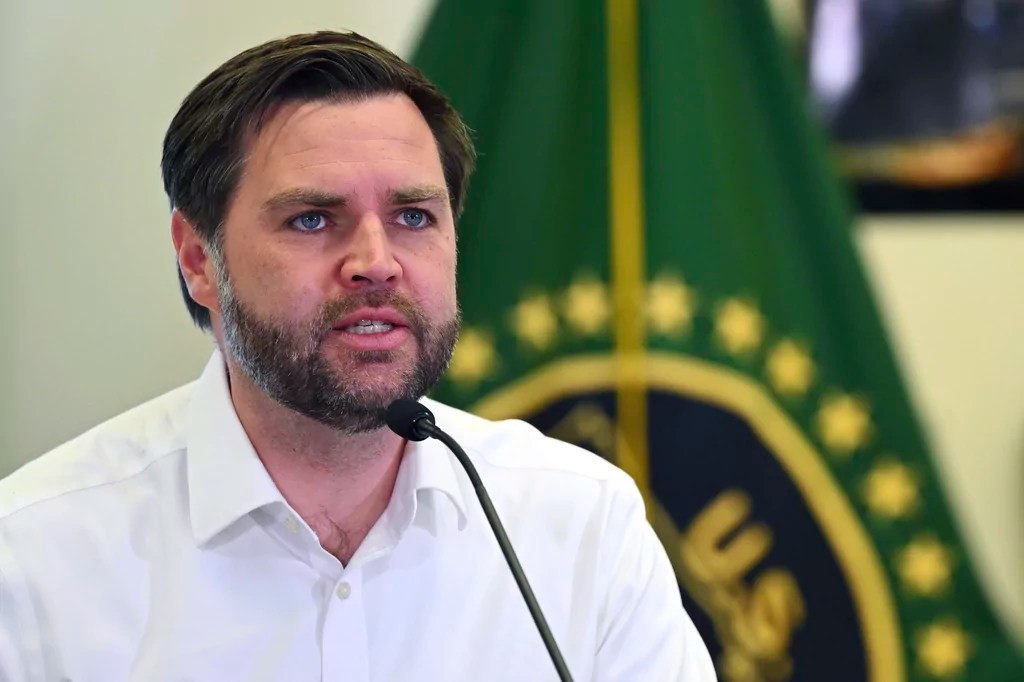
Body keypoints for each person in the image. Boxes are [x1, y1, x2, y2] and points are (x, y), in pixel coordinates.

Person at [0, 31, 715, 681]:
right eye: (312, 219)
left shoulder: (581, 526)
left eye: (413, 217)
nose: (377, 263)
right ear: (198, 259)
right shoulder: (34, 558)